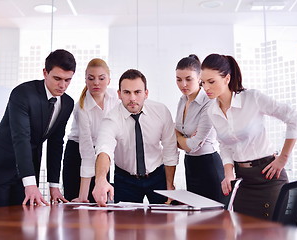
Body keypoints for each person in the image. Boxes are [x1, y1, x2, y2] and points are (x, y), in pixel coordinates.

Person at [200, 53, 297, 219]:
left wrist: (283, 158)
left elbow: (294, 118)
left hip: (269, 176)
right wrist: (228, 172)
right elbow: (224, 145)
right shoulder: (212, 111)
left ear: (226, 79)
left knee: (272, 233)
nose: (206, 88)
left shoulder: (252, 98)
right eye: (203, 82)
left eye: (211, 82)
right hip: (243, 182)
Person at [0, 49, 76, 208]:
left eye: (68, 80)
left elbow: (56, 144)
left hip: (26, 170)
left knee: (22, 224)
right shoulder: (23, 93)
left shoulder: (67, 103)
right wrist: (30, 183)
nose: (62, 85)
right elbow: (21, 137)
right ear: (45, 72)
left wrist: (54, 186)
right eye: (57, 78)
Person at [92, 69, 179, 206]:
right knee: (124, 224)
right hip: (125, 178)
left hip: (157, 175)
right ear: (119, 94)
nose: (132, 98)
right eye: (127, 92)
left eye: (137, 92)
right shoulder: (111, 118)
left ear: (146, 93)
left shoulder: (161, 111)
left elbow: (169, 149)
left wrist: (170, 185)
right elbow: (104, 149)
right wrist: (101, 180)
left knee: (163, 223)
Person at [62, 58, 118, 202]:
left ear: (109, 80)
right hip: (77, 153)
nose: (96, 83)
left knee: (100, 202)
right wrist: (82, 197)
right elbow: (86, 152)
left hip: (102, 153)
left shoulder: (115, 98)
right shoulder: (82, 108)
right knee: (78, 206)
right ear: (85, 80)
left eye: (101, 78)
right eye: (91, 78)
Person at [175, 54, 226, 203]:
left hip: (209, 165)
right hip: (190, 165)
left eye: (188, 79)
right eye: (178, 79)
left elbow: (194, 145)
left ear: (199, 78)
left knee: (214, 221)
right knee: (195, 220)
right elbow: (182, 137)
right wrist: (185, 139)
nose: (183, 84)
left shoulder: (209, 101)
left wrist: (178, 137)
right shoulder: (183, 100)